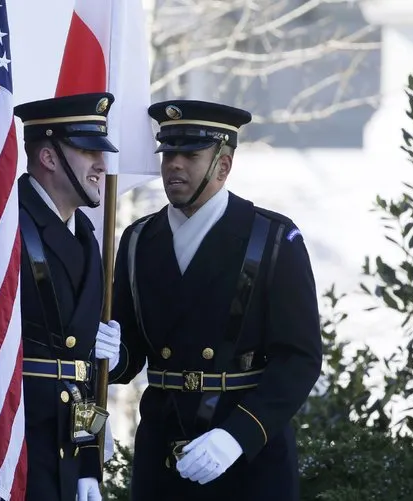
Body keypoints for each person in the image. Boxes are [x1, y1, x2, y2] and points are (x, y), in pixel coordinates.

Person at [109, 100, 322, 501]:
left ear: (223, 167)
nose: (174, 164)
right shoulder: (138, 240)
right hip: (164, 444)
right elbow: (130, 350)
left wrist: (237, 435)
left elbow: (300, 357)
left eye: (190, 155)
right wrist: (110, 355)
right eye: (168, 153)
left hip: (246, 454)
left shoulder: (274, 238)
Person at [0, 93, 123, 501]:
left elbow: (76, 379)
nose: (102, 165)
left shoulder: (85, 238)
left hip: (59, 457)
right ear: (48, 158)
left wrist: (87, 462)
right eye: (87, 151)